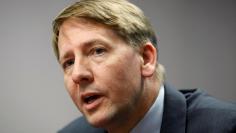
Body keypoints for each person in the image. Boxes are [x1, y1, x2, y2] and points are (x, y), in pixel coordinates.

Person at [52, 0, 236, 133]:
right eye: (69, 62)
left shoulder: (226, 126)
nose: (77, 74)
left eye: (98, 51)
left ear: (146, 58)